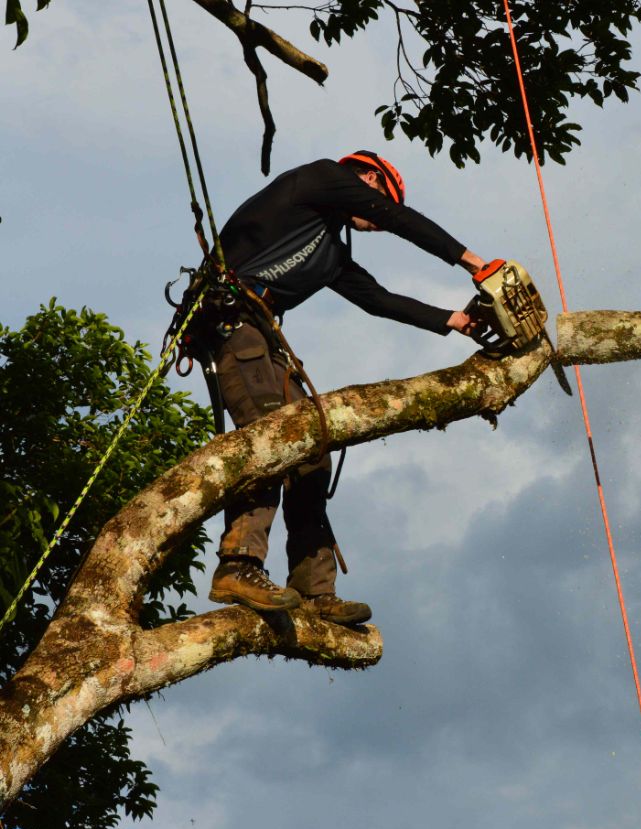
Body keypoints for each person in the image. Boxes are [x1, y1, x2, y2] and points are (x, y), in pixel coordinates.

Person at [207, 151, 487, 625]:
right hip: (231, 321)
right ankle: (238, 565)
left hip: (262, 334)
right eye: (380, 199)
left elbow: (377, 300)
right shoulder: (320, 177)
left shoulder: (329, 252)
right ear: (369, 177)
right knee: (274, 435)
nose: (376, 220)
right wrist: (472, 261)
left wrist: (455, 320)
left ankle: (315, 591)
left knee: (312, 450)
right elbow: (396, 218)